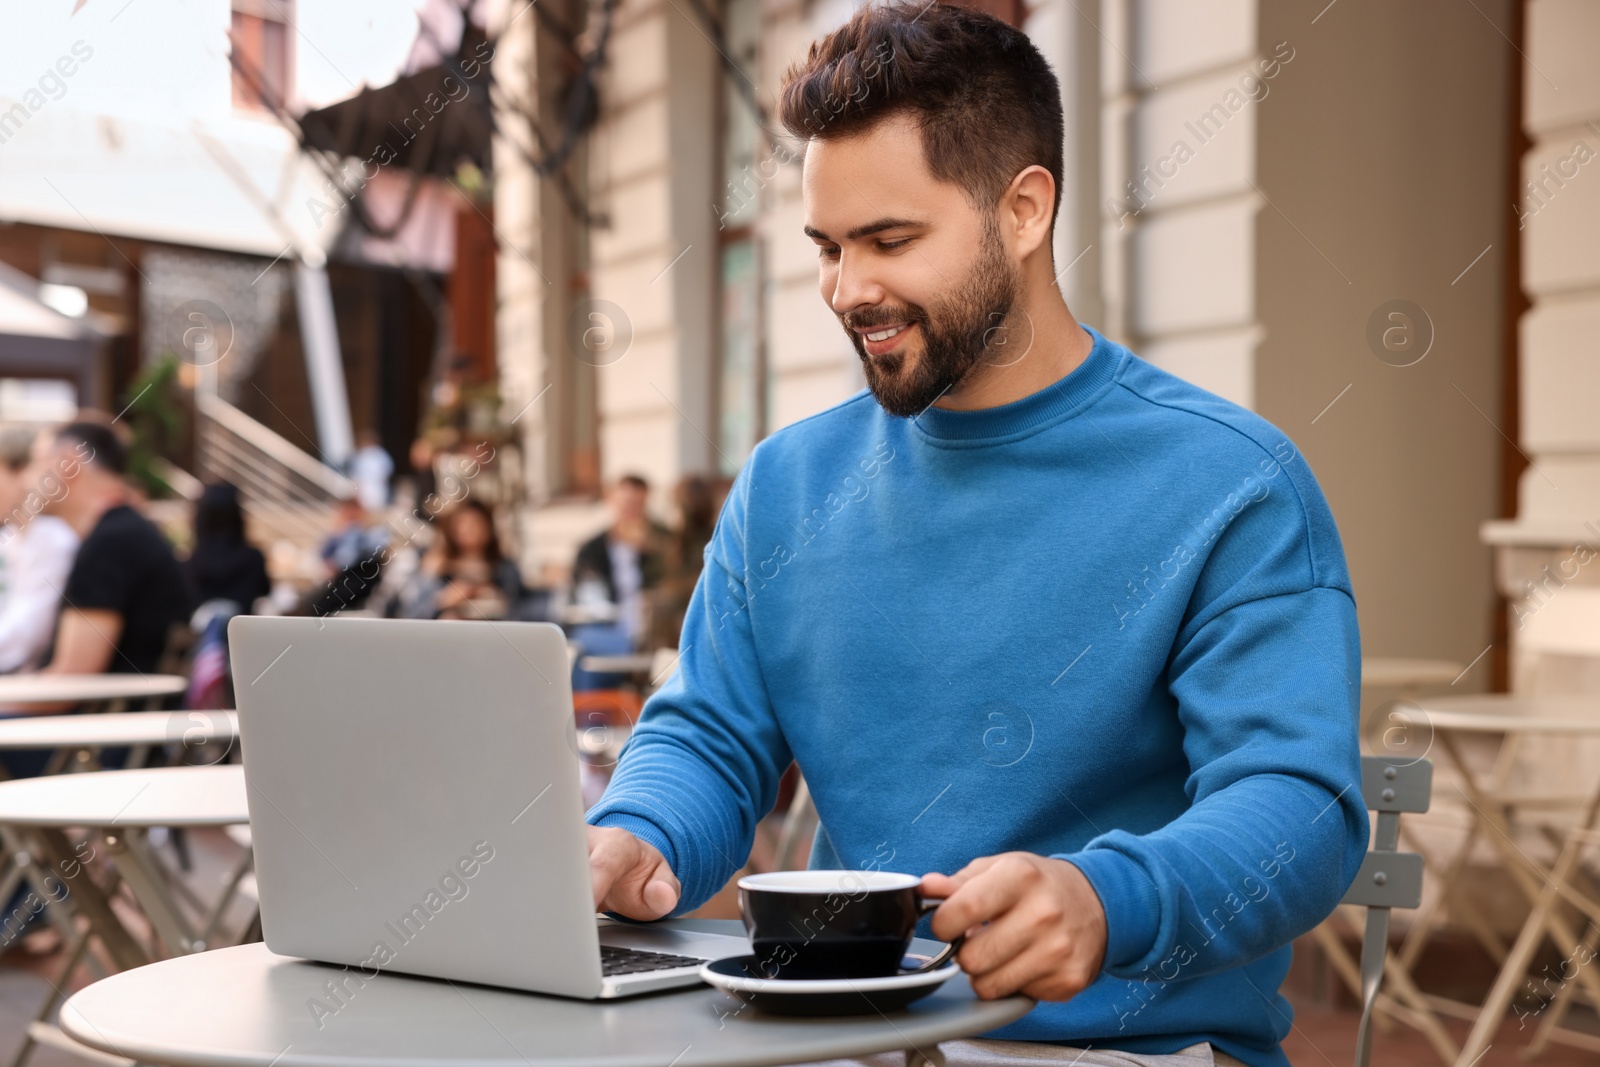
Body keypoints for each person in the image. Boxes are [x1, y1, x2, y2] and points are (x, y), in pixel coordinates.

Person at [583, 7, 1365, 1067]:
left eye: (890, 240)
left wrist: (1106, 897)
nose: (848, 289)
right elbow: (711, 738)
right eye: (827, 247)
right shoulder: (784, 483)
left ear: (1024, 210)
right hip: (847, 1042)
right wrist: (636, 835)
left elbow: (1298, 808)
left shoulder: (1230, 483)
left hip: (1130, 1053)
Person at [29, 419, 190, 684]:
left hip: (99, 719)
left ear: (68, 465)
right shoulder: (123, 532)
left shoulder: (111, 543)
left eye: (37, 463)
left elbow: (71, 680)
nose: (28, 480)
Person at [0, 428, 79, 673]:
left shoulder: (54, 539)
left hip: (25, 689)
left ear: (22, 474)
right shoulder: (10, 538)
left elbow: (26, 638)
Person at [571, 474, 670, 644]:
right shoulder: (594, 548)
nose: (630, 512)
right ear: (612, 502)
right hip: (607, 625)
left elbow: (672, 585)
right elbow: (585, 590)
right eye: (625, 504)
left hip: (652, 626)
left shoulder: (665, 542)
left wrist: (652, 550)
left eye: (636, 505)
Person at [398, 499, 527, 620]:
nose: (470, 530)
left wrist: (494, 599)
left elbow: (520, 610)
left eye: (476, 523)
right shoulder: (435, 567)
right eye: (464, 524)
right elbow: (411, 613)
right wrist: (443, 600)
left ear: (489, 528)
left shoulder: (505, 570)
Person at [645, 474, 717, 649]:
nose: (668, 510)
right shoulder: (676, 540)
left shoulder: (708, 542)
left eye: (672, 505)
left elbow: (697, 584)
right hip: (679, 625)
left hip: (696, 627)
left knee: (661, 605)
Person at [185, 482, 270, 612]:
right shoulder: (254, 559)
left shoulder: (190, 565)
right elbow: (265, 591)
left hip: (201, 630)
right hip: (242, 630)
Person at [349, 429, 394, 512]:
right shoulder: (359, 455)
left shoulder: (380, 454)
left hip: (377, 488)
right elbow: (355, 475)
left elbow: (387, 471)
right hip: (364, 489)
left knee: (377, 511)